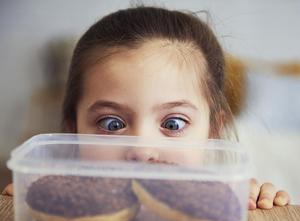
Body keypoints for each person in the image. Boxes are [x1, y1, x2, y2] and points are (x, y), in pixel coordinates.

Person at [3, 6, 290, 209]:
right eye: (111, 124)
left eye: (173, 124)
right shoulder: (51, 202)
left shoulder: (227, 201)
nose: (142, 151)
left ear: (213, 131)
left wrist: (256, 201)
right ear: (73, 127)